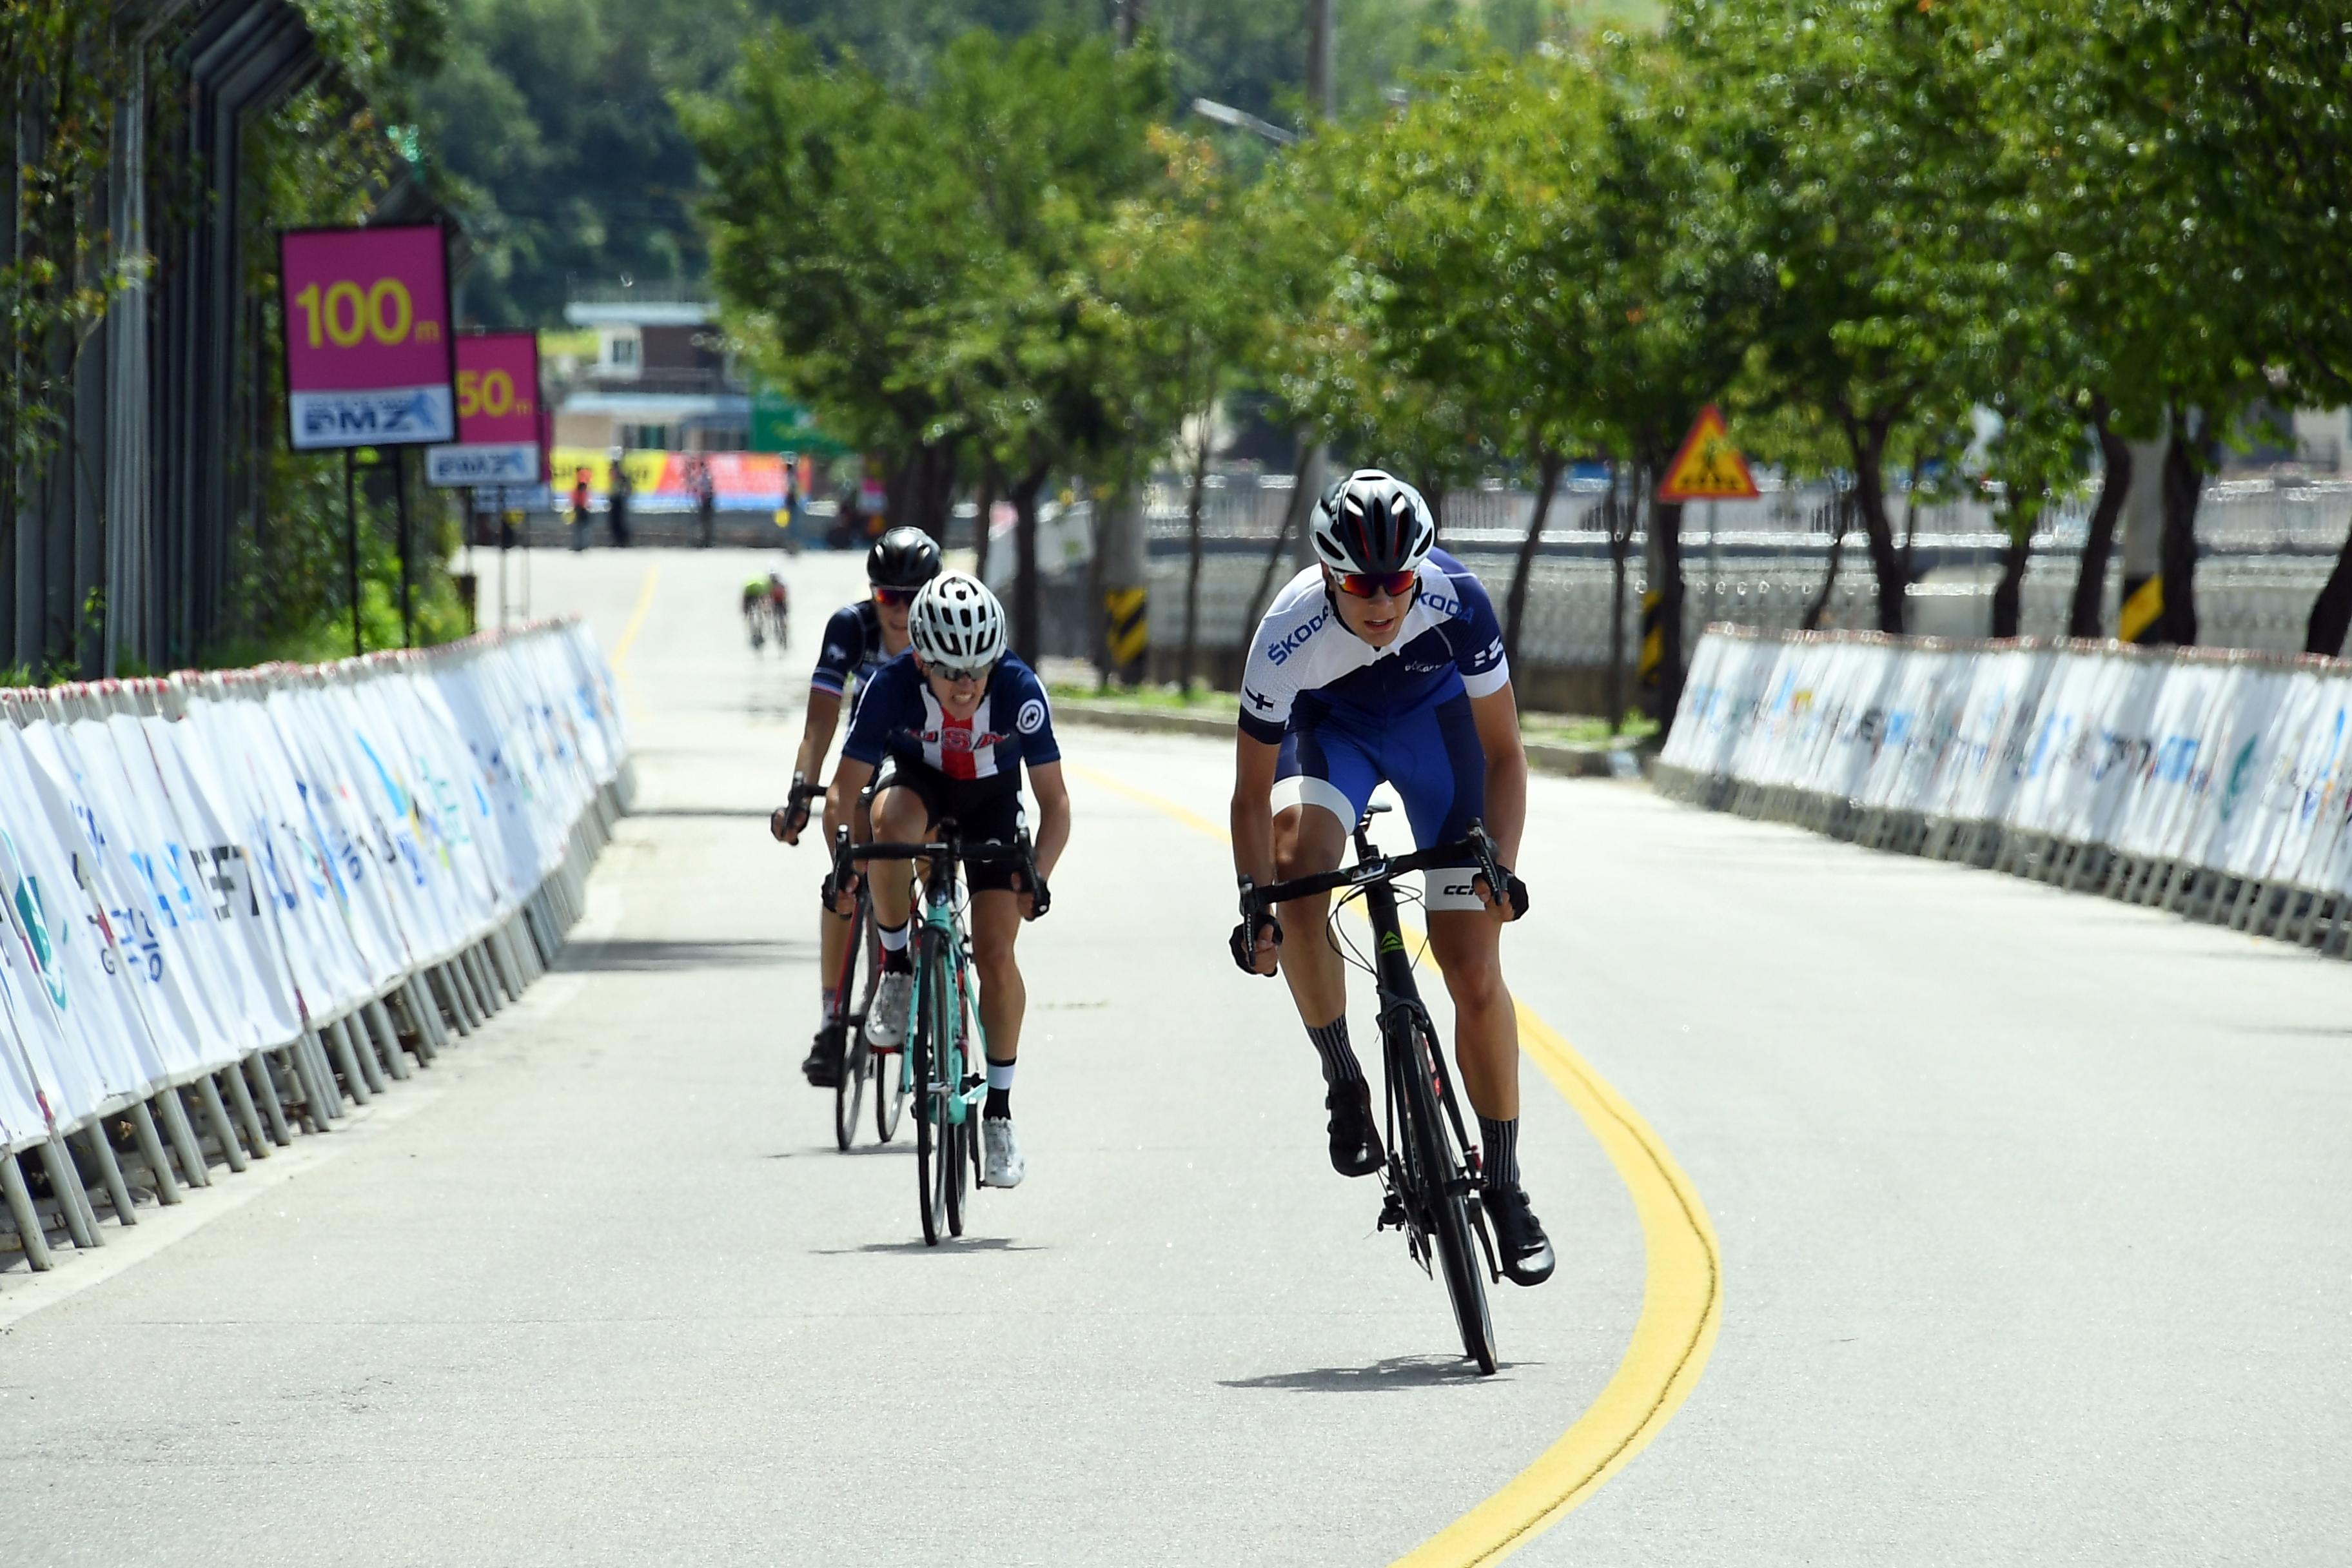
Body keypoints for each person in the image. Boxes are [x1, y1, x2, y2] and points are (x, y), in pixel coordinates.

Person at [1226, 469, 1554, 1287]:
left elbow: (1507, 755)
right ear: (1330, 575)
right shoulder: (1285, 632)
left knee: (1474, 970)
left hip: (1436, 734)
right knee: (1299, 870)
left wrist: (1501, 868)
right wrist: (1254, 902)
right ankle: (1344, 1078)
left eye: (1399, 580)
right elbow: (1247, 794)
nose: (1381, 599)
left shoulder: (1460, 599)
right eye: (1361, 583)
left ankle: (1506, 1186)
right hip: (1332, 730)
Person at [825, 573, 1068, 1188]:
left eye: (977, 672)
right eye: (950, 673)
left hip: (992, 801)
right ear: (921, 661)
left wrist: (1037, 873)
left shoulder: (1018, 687)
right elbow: (844, 791)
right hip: (921, 787)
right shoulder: (890, 687)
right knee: (888, 820)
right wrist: (842, 866)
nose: (965, 687)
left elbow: (1056, 804)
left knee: (995, 953)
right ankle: (901, 968)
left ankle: (1000, 1113)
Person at [769, 527, 944, 1085]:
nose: (898, 610)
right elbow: (820, 724)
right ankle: (831, 1021)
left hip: (929, 760)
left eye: (912, 596)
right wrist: (801, 788)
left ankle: (936, 980)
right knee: (842, 872)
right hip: (868, 755)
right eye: (886, 596)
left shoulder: (946, 628)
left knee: (933, 859)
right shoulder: (852, 627)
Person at [606, 450, 632, 549]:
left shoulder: (621, 474)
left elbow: (627, 486)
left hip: (619, 499)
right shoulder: (612, 473)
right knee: (613, 522)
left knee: (619, 522)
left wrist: (625, 494)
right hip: (613, 499)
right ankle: (617, 540)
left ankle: (623, 541)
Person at [570, 466, 592, 553]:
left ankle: (580, 545)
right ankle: (582, 544)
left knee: (580, 528)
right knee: (582, 528)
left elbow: (580, 494)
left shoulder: (580, 482)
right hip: (582, 507)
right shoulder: (583, 481)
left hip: (580, 507)